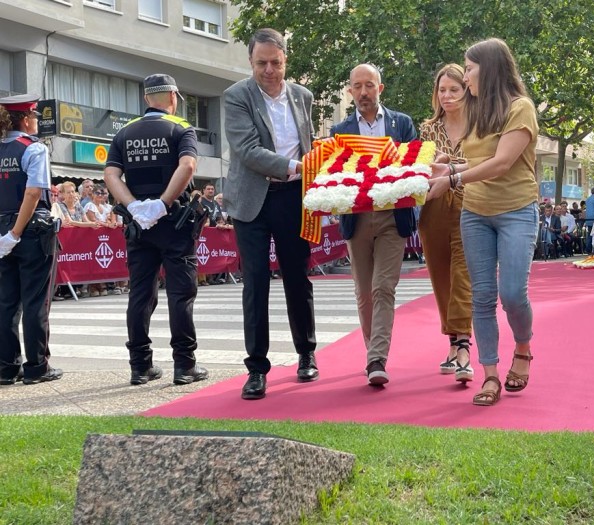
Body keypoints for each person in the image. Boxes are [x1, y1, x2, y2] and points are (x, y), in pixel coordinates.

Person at [427, 38, 539, 406]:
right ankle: (490, 374)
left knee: (511, 293)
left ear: (488, 69)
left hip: (516, 210)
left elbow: (502, 162)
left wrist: (452, 178)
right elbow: (476, 163)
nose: (466, 74)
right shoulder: (474, 111)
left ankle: (522, 348)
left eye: (470, 68)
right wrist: (447, 167)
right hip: (475, 213)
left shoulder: (520, 108)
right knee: (482, 297)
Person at [223, 28, 318, 400]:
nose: (269, 70)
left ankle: (306, 353)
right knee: (256, 282)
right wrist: (299, 165)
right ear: (250, 62)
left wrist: (312, 170)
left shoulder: (303, 96)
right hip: (251, 201)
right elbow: (246, 150)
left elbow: (309, 143)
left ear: (285, 60)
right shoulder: (236, 96)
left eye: (275, 63)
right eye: (261, 63)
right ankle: (256, 368)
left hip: (294, 198)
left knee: (298, 277)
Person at [104, 73, 209, 386]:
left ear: (147, 98)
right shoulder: (180, 128)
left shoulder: (124, 133)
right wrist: (163, 203)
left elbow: (110, 174)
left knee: (140, 294)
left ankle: (139, 366)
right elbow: (188, 166)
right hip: (174, 222)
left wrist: (135, 207)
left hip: (139, 227)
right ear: (173, 97)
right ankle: (184, 365)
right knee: (180, 294)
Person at [331, 63, 418, 386]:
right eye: (357, 86)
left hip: (392, 218)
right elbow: (336, 176)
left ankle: (376, 358)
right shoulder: (338, 131)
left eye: (370, 85)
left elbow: (414, 169)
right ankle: (373, 352)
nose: (364, 92)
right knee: (364, 292)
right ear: (350, 91)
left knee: (384, 288)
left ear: (380, 88)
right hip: (356, 218)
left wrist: (400, 162)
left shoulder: (403, 124)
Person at [0, 94, 62, 385]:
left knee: (5, 302)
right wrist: (15, 233)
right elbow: (34, 193)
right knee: (36, 301)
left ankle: (5, 367)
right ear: (26, 119)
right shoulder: (33, 148)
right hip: (29, 231)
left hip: (2, 232)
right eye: (35, 116)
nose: (37, 121)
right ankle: (37, 366)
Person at [418, 64, 473, 383]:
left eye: (454, 89)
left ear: (466, 91)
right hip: (435, 206)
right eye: (442, 90)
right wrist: (429, 164)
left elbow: (485, 164)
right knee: (441, 278)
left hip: (470, 204)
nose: (448, 96)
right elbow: (421, 167)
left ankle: (464, 346)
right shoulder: (427, 128)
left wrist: (447, 163)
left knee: (463, 276)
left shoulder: (480, 125)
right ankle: (452, 344)